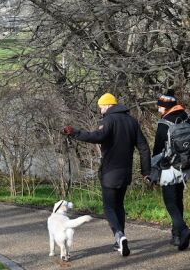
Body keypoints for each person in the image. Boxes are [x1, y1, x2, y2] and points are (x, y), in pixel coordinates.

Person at [63, 93, 151, 257]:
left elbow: (97, 136)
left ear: (109, 105)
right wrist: (146, 171)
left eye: (102, 107)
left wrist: (74, 132)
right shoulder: (132, 121)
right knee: (119, 206)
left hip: (110, 172)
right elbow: (144, 148)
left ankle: (119, 236)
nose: (101, 111)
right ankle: (119, 241)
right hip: (126, 173)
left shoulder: (109, 120)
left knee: (109, 207)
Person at [153, 89, 190, 251]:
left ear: (165, 107)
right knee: (178, 199)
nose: (158, 109)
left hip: (169, 168)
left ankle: (183, 229)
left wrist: (152, 173)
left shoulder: (163, 124)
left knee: (169, 201)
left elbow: (157, 151)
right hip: (187, 167)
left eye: (159, 106)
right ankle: (177, 236)